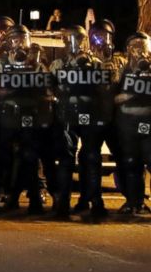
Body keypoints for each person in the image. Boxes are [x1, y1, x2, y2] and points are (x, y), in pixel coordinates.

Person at [0, 24, 53, 213]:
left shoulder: (38, 65)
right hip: (9, 115)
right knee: (2, 158)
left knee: (30, 158)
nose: (19, 44)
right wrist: (19, 87)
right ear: (8, 43)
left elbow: (47, 91)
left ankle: (30, 200)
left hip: (31, 116)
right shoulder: (1, 64)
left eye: (23, 40)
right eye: (15, 40)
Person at [50, 25, 112, 220]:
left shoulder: (96, 63)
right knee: (67, 159)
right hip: (67, 114)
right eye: (71, 39)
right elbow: (49, 90)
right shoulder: (58, 64)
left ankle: (95, 202)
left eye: (79, 39)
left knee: (91, 157)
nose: (75, 43)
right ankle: (63, 204)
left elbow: (105, 90)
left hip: (90, 113)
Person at [113, 33, 151, 215]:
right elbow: (111, 94)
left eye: (143, 47)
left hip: (149, 122)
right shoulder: (122, 67)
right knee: (131, 163)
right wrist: (126, 97)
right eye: (136, 47)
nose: (140, 52)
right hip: (127, 123)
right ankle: (134, 201)